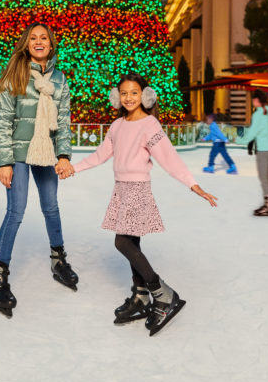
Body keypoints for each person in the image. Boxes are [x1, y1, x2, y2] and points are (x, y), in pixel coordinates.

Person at [64, 73, 217, 337]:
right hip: (121, 189)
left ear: (145, 96)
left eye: (134, 92)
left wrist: (193, 184)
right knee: (132, 243)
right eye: (124, 93)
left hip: (137, 189)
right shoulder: (117, 125)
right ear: (117, 96)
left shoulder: (150, 125)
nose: (129, 97)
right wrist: (73, 168)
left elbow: (169, 158)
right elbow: (101, 155)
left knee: (121, 242)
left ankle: (162, 293)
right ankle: (141, 296)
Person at [0, 22, 76, 318]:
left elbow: (63, 122)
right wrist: (5, 162)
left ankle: (58, 260)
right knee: (16, 211)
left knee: (51, 207)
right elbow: (2, 121)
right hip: (19, 155)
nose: (39, 42)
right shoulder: (15, 74)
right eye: (34, 38)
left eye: (45, 38)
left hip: (47, 153)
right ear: (26, 44)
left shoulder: (60, 79)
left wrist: (63, 155)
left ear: (51, 45)